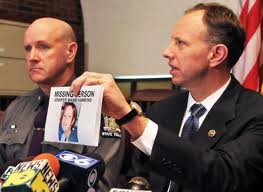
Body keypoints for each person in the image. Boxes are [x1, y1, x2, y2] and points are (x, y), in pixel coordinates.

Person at [70, 2, 263, 192]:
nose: (167, 52)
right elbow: (139, 177)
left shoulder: (255, 112)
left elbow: (221, 175)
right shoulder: (162, 111)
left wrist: (131, 120)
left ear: (216, 54)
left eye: (180, 43)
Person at [0, 17, 125, 191]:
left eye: (43, 47)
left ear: (70, 52)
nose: (32, 57)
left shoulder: (99, 107)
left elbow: (99, 184)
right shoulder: (17, 107)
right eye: (28, 49)